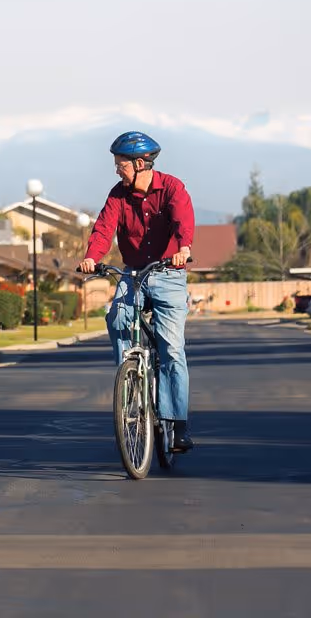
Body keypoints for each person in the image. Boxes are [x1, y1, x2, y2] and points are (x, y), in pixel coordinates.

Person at [77, 131, 196, 452]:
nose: (117, 169)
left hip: (169, 273)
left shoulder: (172, 188)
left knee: (172, 348)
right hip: (132, 273)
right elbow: (104, 226)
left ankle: (179, 424)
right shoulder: (118, 194)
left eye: (121, 165)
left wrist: (183, 248)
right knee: (117, 317)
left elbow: (183, 219)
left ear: (141, 163)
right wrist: (92, 256)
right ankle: (130, 382)